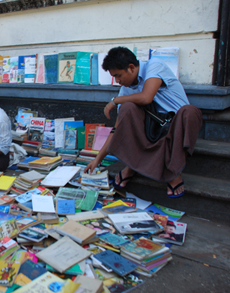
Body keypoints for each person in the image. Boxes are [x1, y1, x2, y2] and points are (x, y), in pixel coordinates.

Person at [84, 47, 202, 198]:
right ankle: (133, 165)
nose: (118, 81)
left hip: (177, 127)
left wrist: (115, 101)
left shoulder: (155, 65)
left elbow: (147, 97)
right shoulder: (126, 89)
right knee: (127, 109)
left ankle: (172, 171)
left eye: (118, 76)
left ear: (131, 68)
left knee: (190, 111)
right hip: (152, 130)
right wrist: (97, 160)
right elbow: (117, 129)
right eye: (114, 77)